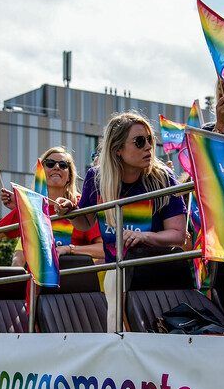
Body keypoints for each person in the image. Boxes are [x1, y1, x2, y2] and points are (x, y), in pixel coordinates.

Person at [57, 112, 186, 329]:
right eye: (139, 141)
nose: (148, 147)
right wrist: (71, 212)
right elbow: (86, 223)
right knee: (117, 320)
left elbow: (178, 234)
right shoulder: (96, 178)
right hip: (117, 271)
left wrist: (144, 236)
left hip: (156, 270)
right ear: (117, 149)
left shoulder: (163, 177)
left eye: (150, 140)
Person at [0, 147, 104, 264]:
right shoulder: (30, 207)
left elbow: (104, 249)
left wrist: (70, 250)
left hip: (76, 286)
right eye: (50, 163)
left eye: (63, 165)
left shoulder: (81, 204)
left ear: (69, 175)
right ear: (41, 172)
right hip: (36, 290)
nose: (57, 167)